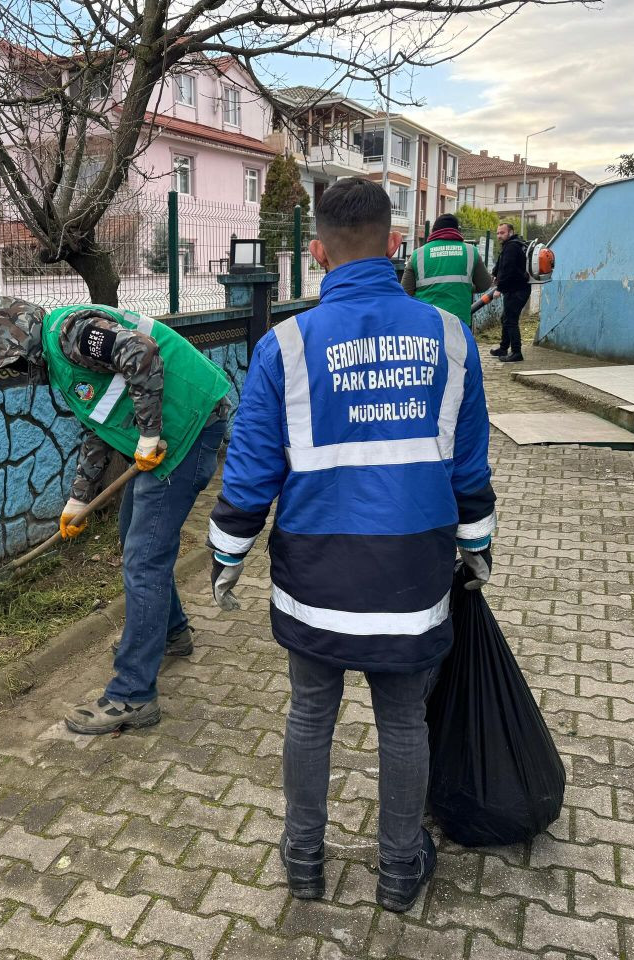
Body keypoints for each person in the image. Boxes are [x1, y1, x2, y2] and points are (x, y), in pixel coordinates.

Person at [206, 178, 496, 913]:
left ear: (315, 252)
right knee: (402, 721)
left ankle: (303, 863)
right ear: (397, 246)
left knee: (310, 713)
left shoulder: (286, 345)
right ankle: (400, 871)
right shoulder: (453, 340)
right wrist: (478, 545)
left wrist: (227, 556)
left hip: (317, 572)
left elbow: (251, 469)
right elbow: (469, 466)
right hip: (411, 574)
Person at [0, 297, 231, 735]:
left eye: (16, 361)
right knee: (135, 536)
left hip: (187, 430)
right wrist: (78, 498)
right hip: (176, 433)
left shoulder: (71, 332)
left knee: (143, 559)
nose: (20, 371)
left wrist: (148, 433)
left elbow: (140, 351)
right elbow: (100, 423)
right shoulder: (63, 357)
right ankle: (171, 633)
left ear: (26, 336)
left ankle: (133, 694)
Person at [401, 213, 493, 327]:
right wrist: (464, 286)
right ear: (457, 230)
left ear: (433, 231)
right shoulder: (470, 251)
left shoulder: (418, 254)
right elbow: (485, 284)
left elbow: (405, 292)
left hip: (428, 321)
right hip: (459, 322)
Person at [489, 221, 531, 363]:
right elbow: (501, 264)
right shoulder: (511, 245)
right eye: (498, 233)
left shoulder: (512, 247)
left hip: (517, 290)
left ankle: (516, 352)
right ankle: (503, 348)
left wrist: (499, 289)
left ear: (510, 232)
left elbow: (508, 269)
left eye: (502, 233)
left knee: (511, 320)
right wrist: (494, 273)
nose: (499, 236)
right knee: (505, 318)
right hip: (515, 289)